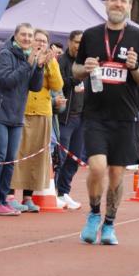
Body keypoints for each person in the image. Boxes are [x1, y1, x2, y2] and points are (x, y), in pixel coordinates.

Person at [73, 0, 139, 246]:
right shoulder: (91, 35)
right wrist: (85, 68)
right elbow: (74, 71)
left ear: (129, 6)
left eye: (123, 1)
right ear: (106, 3)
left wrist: (134, 66)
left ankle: (109, 224)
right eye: (114, 0)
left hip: (125, 116)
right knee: (96, 167)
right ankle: (94, 213)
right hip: (95, 115)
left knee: (117, 173)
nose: (118, 4)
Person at [0, 22, 46, 216]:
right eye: (23, 35)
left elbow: (35, 86)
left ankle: (3, 198)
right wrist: (29, 63)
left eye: (30, 36)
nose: (27, 39)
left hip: (16, 115)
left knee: (10, 159)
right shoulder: (5, 55)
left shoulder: (28, 58)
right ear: (15, 37)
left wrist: (39, 66)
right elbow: (8, 81)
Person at [11, 28, 63, 211]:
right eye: (37, 39)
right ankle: (10, 195)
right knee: (17, 154)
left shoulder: (52, 62)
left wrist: (49, 65)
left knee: (36, 157)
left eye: (44, 41)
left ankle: (28, 197)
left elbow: (57, 85)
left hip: (42, 112)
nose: (40, 43)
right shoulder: (25, 58)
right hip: (23, 111)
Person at [54, 30, 85, 210]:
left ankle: (64, 191)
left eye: (82, 43)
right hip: (64, 117)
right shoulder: (61, 62)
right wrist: (75, 79)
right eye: (76, 42)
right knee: (61, 156)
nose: (79, 46)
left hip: (81, 118)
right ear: (69, 42)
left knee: (75, 157)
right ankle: (54, 191)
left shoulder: (84, 63)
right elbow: (59, 84)